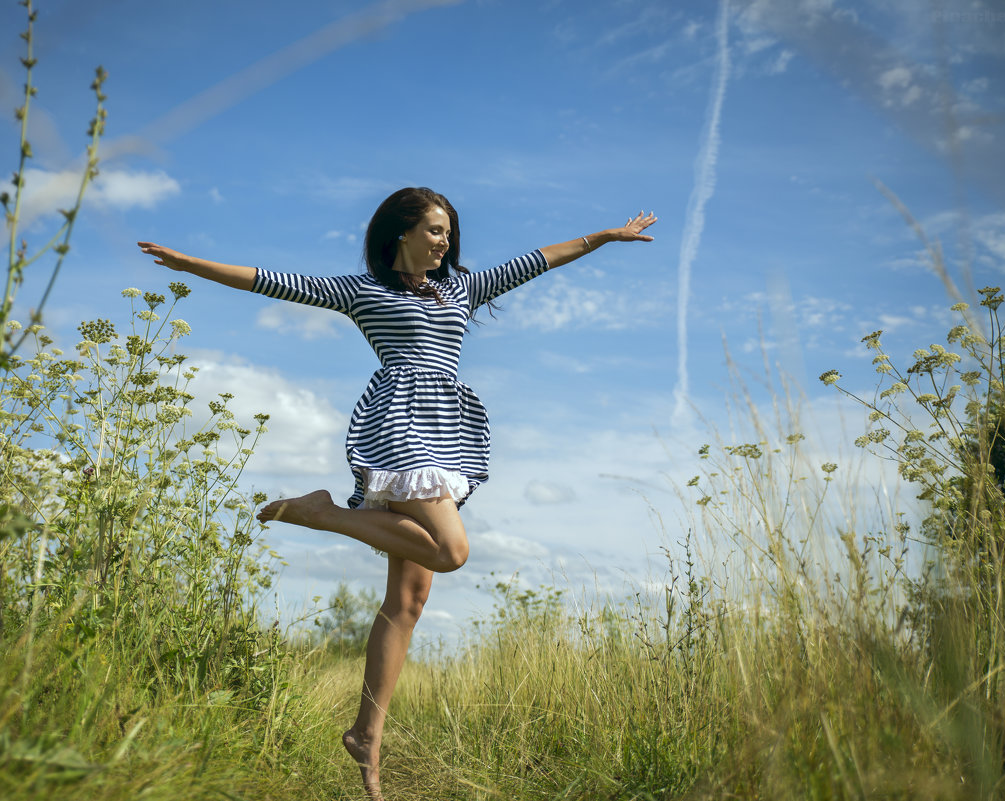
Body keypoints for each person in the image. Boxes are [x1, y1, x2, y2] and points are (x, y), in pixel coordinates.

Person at [138, 186, 656, 799]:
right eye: (435, 230)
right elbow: (269, 281)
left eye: (448, 232)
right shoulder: (363, 291)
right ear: (403, 232)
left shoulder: (463, 288)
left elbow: (540, 258)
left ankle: (366, 739)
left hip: (448, 431)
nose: (445, 241)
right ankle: (324, 513)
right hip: (399, 427)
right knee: (452, 550)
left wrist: (605, 237)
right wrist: (190, 263)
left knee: (407, 603)